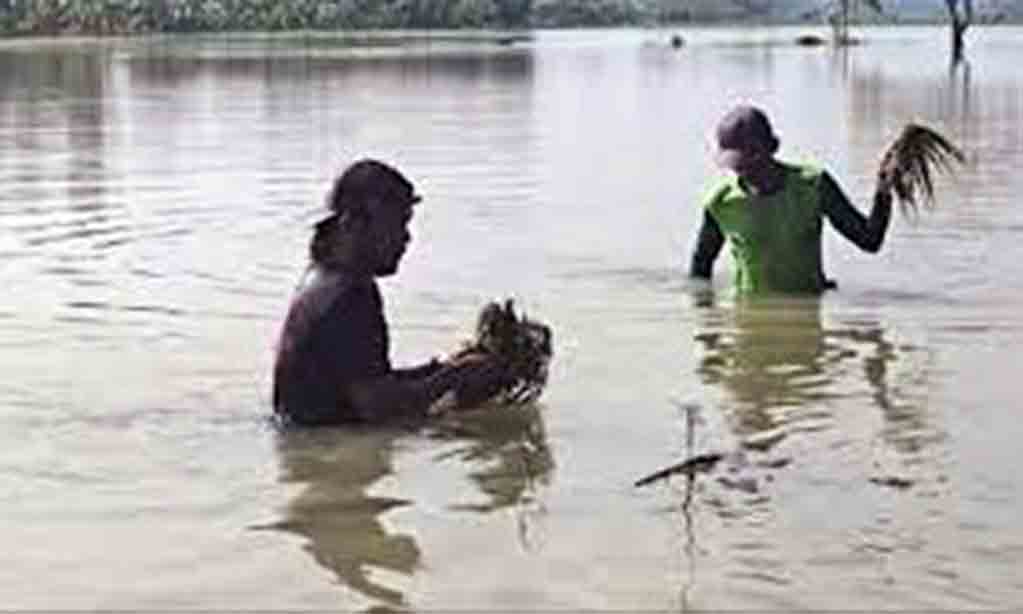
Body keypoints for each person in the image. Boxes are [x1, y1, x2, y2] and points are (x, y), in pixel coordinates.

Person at [272, 159, 510, 426]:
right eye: (397, 224)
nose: (407, 238)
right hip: (334, 447)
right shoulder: (351, 297)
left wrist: (442, 368)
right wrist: (454, 377)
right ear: (353, 224)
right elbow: (381, 408)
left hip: (307, 442)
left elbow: (366, 381)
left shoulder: (322, 279)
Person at [689, 104, 893, 294]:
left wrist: (884, 189)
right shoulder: (720, 203)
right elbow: (700, 270)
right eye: (737, 165)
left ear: (771, 149)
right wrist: (708, 324)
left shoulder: (813, 186)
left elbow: (870, 240)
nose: (744, 171)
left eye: (752, 160)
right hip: (748, 321)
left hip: (808, 312)